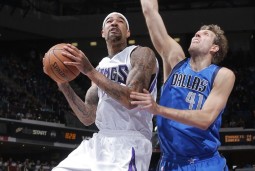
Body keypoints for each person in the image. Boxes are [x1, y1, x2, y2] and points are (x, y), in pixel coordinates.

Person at [43, 12, 159, 171]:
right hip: (100, 140)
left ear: (128, 32)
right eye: (109, 21)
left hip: (130, 141)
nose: (114, 23)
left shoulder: (141, 54)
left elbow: (131, 100)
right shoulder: (101, 67)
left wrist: (90, 71)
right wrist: (63, 85)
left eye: (120, 21)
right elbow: (87, 117)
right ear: (103, 33)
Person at [130, 0, 236, 170]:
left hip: (203, 162)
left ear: (215, 48)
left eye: (205, 34)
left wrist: (158, 109)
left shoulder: (222, 75)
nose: (197, 34)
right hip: (169, 162)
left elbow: (206, 119)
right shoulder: (175, 61)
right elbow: (150, 11)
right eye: (197, 33)